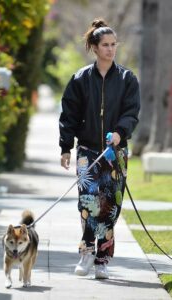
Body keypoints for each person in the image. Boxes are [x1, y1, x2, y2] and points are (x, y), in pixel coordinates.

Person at [59, 18, 140, 279]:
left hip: (116, 152)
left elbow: (132, 112)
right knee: (89, 202)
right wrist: (65, 147)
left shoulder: (128, 78)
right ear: (94, 47)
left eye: (113, 44)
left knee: (111, 207)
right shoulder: (80, 79)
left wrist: (119, 132)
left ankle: (102, 260)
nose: (110, 49)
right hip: (87, 151)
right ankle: (86, 252)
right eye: (105, 44)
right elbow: (69, 114)